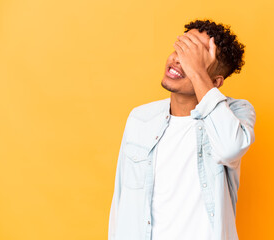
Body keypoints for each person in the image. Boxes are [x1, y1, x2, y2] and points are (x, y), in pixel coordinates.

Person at [108, 19, 256, 240]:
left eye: (194, 58)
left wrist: (196, 72)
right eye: (181, 49)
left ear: (216, 82)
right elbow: (121, 201)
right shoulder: (140, 118)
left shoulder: (236, 113)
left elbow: (228, 149)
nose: (178, 60)